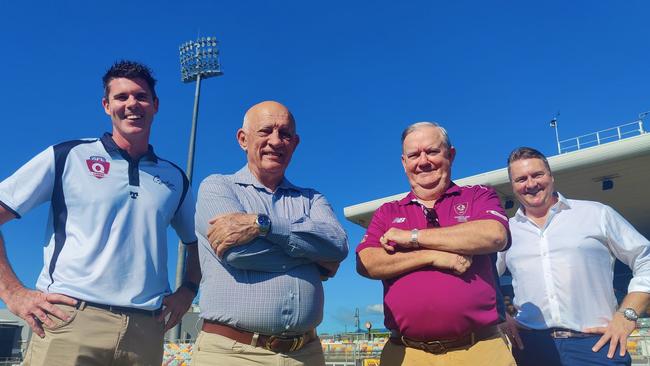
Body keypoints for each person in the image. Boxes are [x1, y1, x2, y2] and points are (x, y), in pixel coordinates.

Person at [0, 60, 201, 366]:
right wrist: (13, 292)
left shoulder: (174, 178)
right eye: (121, 97)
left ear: (155, 105)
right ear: (107, 106)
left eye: (141, 96)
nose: (132, 104)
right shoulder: (68, 156)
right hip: (71, 321)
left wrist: (188, 291)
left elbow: (199, 242)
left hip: (145, 330)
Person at [192, 100, 348, 366]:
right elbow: (239, 252)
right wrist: (312, 259)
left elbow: (337, 245)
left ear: (295, 143)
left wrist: (264, 226)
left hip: (305, 354)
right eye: (266, 131)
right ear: (243, 139)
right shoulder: (218, 186)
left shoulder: (311, 198)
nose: (276, 141)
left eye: (285, 134)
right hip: (233, 353)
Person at [356, 121, 515, 366]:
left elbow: (494, 235)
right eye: (413, 155)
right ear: (403, 163)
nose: (423, 162)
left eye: (432, 151)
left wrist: (411, 237)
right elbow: (367, 263)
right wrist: (431, 256)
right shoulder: (388, 212)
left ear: (451, 154)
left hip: (480, 350)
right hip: (407, 354)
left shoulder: (478, 196)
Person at [497, 146, 650, 366]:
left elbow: (645, 258)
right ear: (513, 186)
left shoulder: (596, 214)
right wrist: (499, 316)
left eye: (537, 174)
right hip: (532, 348)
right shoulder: (505, 232)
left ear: (551, 176)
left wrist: (628, 315)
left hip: (597, 345)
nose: (530, 184)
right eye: (521, 179)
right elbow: (483, 278)